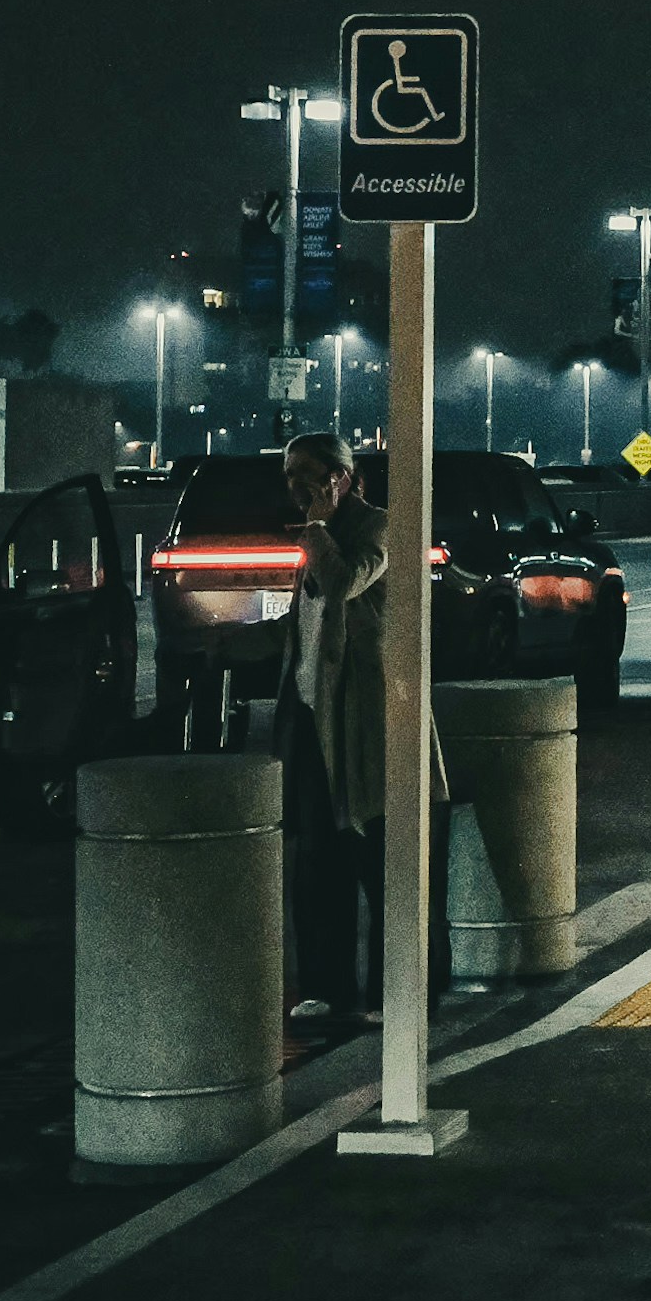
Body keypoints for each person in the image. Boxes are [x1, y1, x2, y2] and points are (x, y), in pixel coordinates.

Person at [276, 431, 446, 1027]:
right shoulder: (311, 536)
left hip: (367, 723)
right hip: (312, 715)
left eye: (306, 474)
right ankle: (326, 985)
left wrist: (320, 531)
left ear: (340, 478)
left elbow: (347, 584)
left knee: (380, 859)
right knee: (315, 860)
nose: (295, 487)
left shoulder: (379, 527)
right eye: (288, 475)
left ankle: (393, 992)